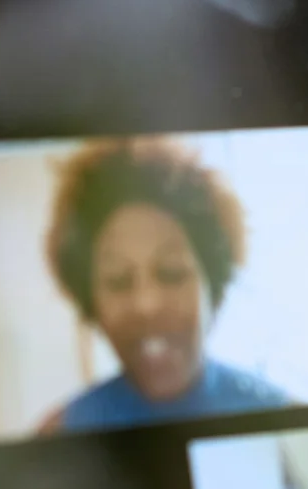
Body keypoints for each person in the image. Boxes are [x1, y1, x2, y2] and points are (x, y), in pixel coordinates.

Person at [39, 138, 288, 434]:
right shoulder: (60, 433)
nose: (147, 304)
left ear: (213, 286)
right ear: (91, 302)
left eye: (171, 273)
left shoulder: (283, 417)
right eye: (118, 281)